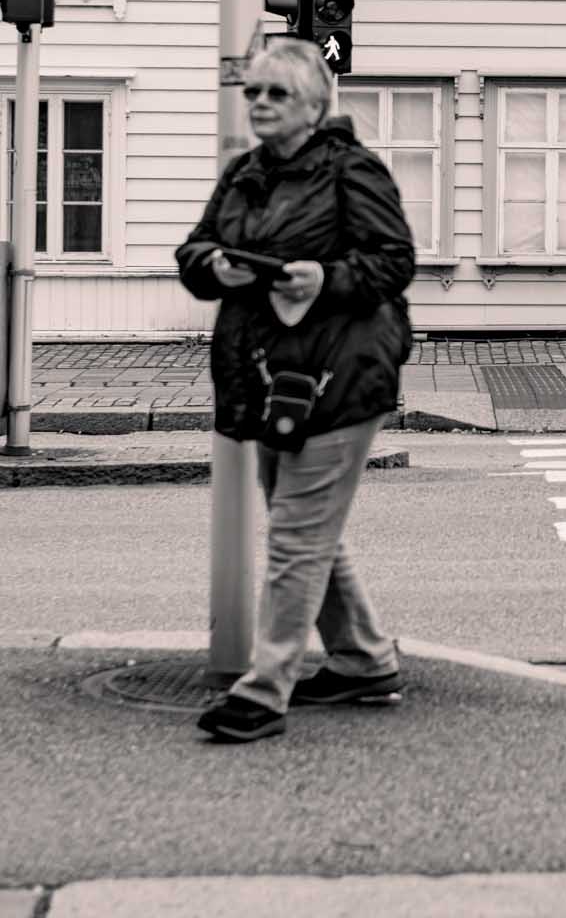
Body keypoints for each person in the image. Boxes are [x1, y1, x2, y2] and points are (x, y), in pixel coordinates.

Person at [176, 37, 416, 743]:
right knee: (302, 525)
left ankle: (264, 688)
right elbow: (192, 249)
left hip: (339, 372)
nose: (259, 104)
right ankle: (364, 661)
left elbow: (393, 261)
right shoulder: (243, 173)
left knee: (294, 536)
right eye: (253, 92)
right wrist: (213, 268)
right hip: (266, 370)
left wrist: (326, 278)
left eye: (276, 93)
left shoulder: (352, 170)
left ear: (314, 105)